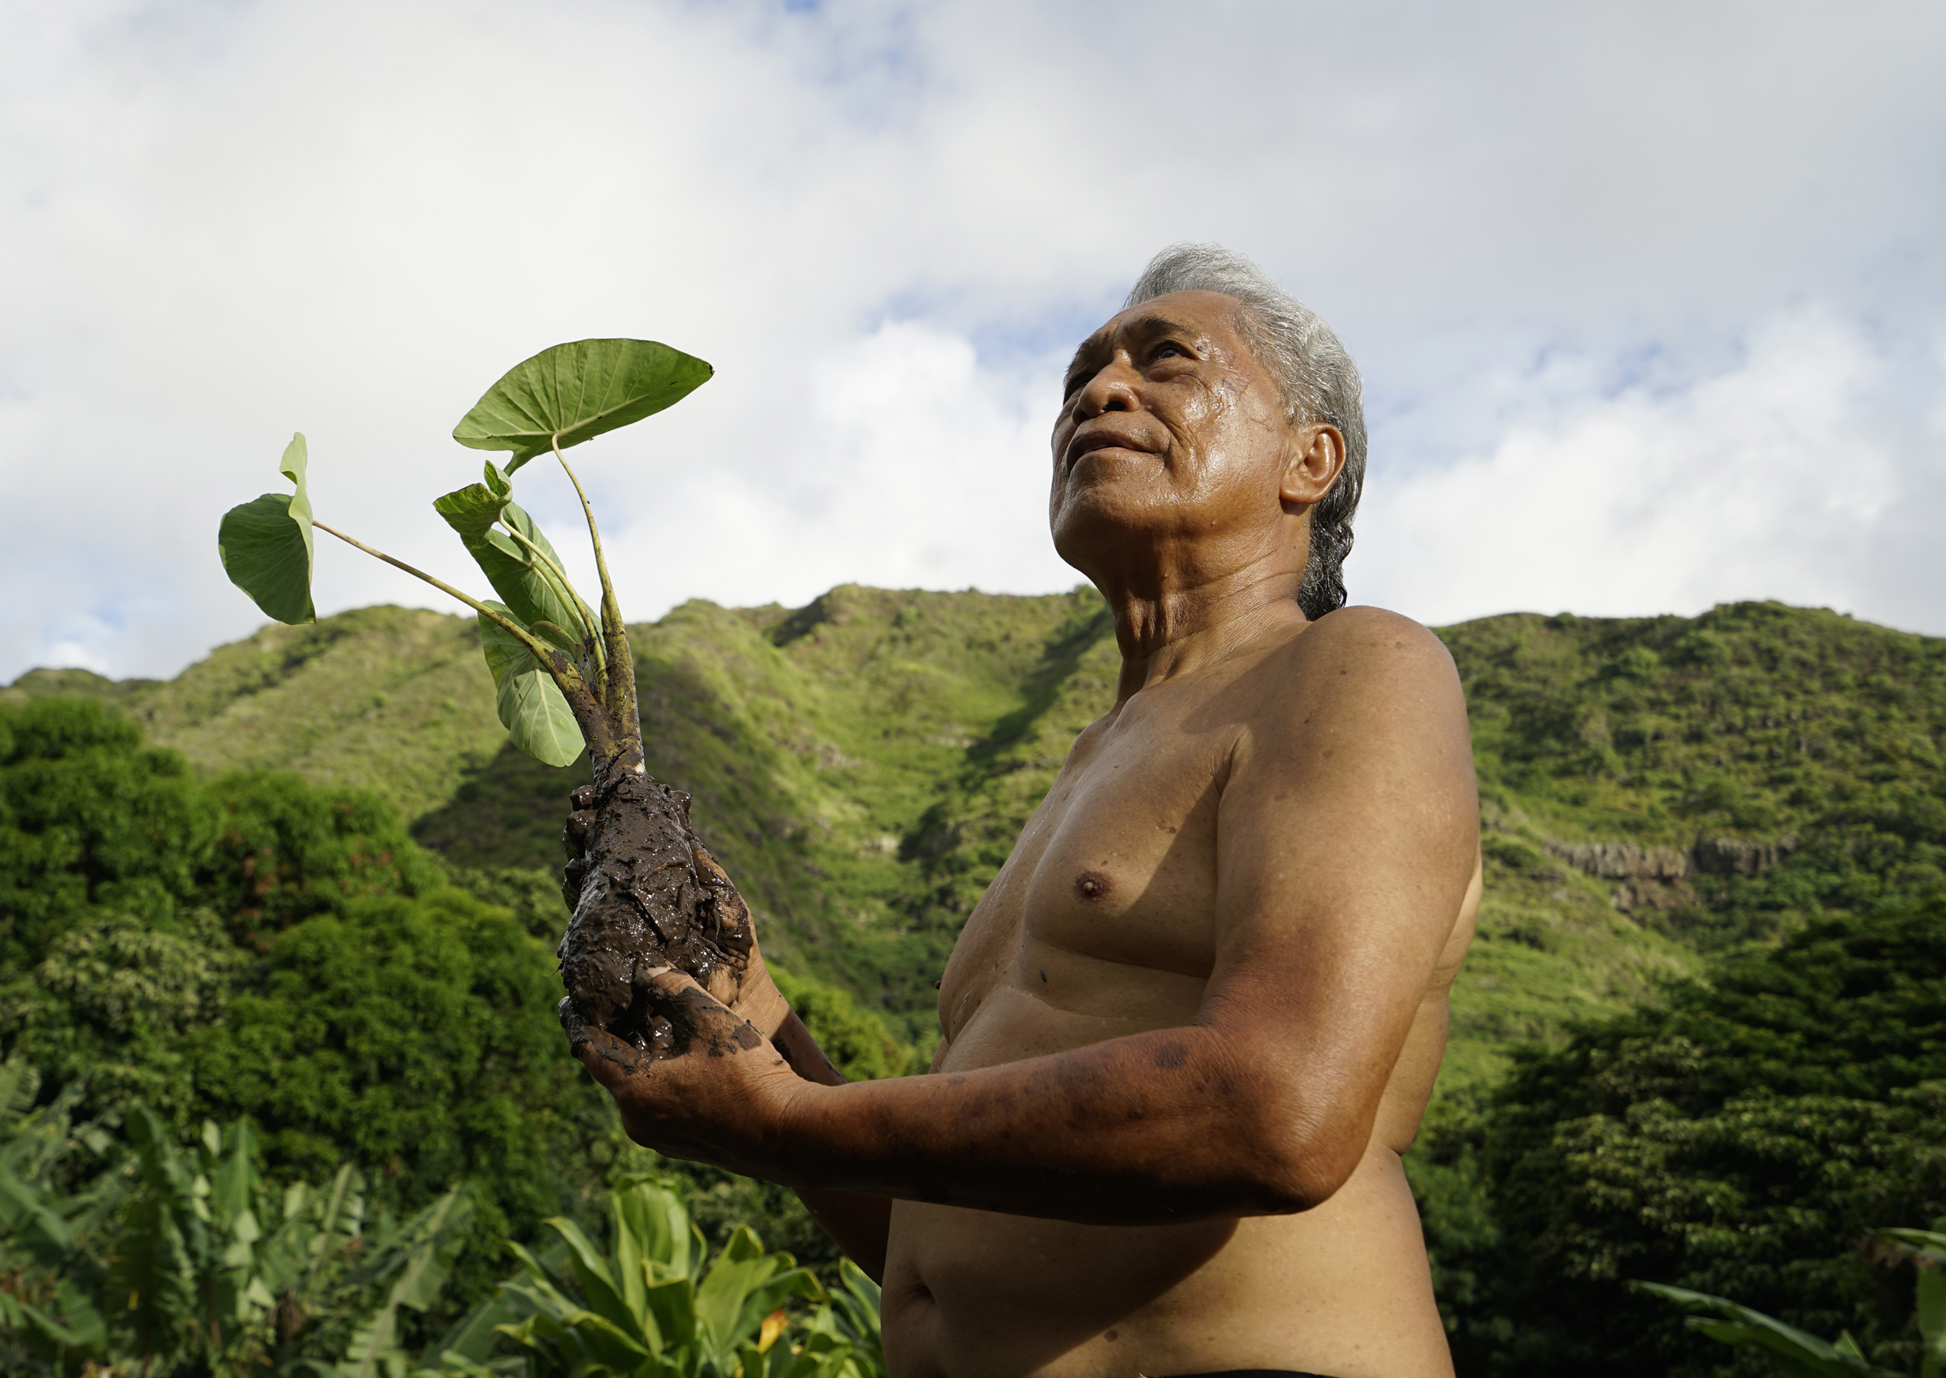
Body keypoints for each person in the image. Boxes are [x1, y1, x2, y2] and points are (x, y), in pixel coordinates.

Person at [570, 243, 1481, 1378]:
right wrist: (754, 1011)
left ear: (1310, 458)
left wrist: (781, 1123)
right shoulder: (1086, 767)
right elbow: (927, 1229)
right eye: (1080, 377)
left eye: (1166, 363)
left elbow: (1275, 1110)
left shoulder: (1353, 668)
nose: (1100, 390)